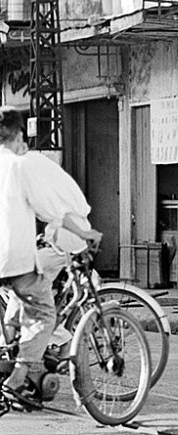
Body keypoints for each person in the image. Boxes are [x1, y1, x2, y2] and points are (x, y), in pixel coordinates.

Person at [0, 107, 102, 406]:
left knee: (24, 302)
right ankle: (18, 378)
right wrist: (85, 234)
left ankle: (24, 364)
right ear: (19, 135)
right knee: (46, 314)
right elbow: (53, 211)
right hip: (14, 259)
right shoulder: (18, 166)